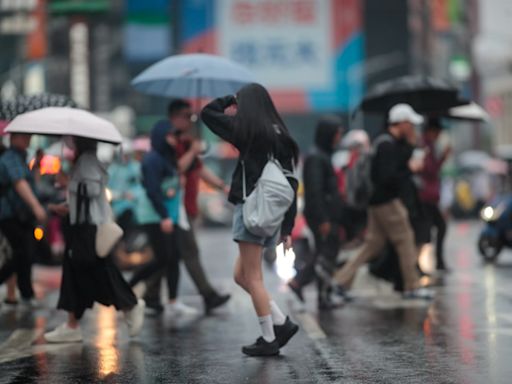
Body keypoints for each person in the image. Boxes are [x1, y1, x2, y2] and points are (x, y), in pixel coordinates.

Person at [201, 83, 300, 357]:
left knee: (252, 278)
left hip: (251, 211)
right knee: (241, 276)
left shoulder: (248, 133)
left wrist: (229, 99)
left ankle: (268, 338)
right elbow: (291, 182)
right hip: (271, 215)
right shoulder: (281, 135)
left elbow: (207, 114)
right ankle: (281, 322)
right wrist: (287, 228)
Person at [44, 136, 145, 343]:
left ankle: (129, 305)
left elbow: (90, 191)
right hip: (81, 226)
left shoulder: (87, 161)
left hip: (88, 229)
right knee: (77, 272)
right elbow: (83, 196)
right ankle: (72, 324)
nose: (71, 144)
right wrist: (66, 201)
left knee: (97, 271)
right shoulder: (84, 161)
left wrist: (68, 181)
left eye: (74, 140)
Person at [333, 104, 433, 300]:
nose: (412, 127)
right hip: (387, 202)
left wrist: (411, 148)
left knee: (372, 245)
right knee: (405, 240)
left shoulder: (386, 142)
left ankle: (339, 281)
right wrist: (410, 169)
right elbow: (388, 177)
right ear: (402, 123)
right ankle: (412, 285)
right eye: (410, 123)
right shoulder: (387, 145)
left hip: (378, 203)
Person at [143, 101, 230, 315]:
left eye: (193, 117)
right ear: (174, 117)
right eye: (186, 116)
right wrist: (192, 150)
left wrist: (222, 186)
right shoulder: (169, 141)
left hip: (185, 206)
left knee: (170, 255)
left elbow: (199, 170)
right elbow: (175, 169)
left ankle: (151, 295)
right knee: (186, 252)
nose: (190, 120)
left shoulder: (186, 141)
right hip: (173, 208)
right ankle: (207, 295)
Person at [128, 121, 196, 316]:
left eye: (175, 136)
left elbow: (172, 183)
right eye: (170, 136)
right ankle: (126, 288)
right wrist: (164, 216)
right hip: (156, 216)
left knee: (173, 257)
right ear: (160, 137)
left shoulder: (169, 158)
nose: (174, 140)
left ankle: (173, 301)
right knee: (162, 258)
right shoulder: (152, 160)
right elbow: (153, 190)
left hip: (170, 216)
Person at [287, 116, 344, 309]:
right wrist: (323, 219)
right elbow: (315, 191)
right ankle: (302, 285)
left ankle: (320, 294)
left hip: (326, 214)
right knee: (324, 254)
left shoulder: (323, 155)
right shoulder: (316, 157)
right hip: (322, 216)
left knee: (324, 254)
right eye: (337, 134)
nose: (339, 138)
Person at [0, 133, 47, 307]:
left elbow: (30, 183)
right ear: (14, 138)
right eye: (24, 136)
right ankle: (25, 293)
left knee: (25, 253)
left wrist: (37, 165)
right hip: (10, 214)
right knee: (21, 253)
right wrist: (36, 207)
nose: (28, 139)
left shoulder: (21, 158)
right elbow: (20, 183)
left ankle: (26, 293)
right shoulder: (10, 158)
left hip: (22, 215)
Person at [420, 119, 451, 271]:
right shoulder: (424, 146)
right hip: (425, 196)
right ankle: (423, 263)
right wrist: (443, 158)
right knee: (428, 230)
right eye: (437, 132)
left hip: (430, 196)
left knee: (437, 227)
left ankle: (437, 261)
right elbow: (430, 171)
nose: (438, 136)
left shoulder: (429, 146)